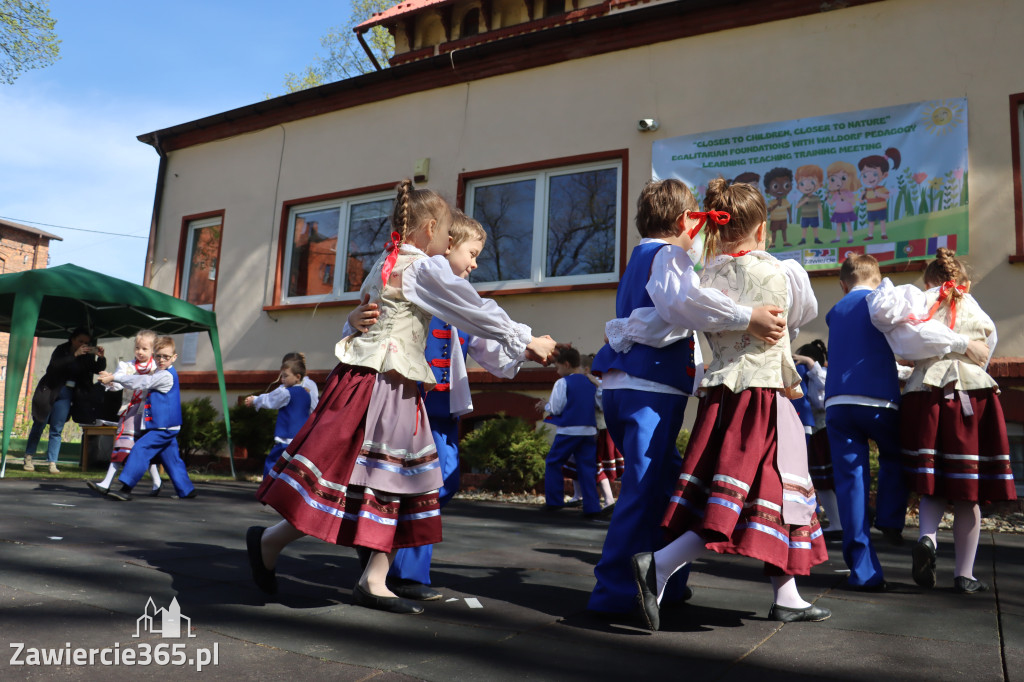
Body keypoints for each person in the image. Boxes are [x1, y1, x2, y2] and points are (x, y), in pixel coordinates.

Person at [249, 180, 557, 615]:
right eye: (455, 243)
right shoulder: (420, 268)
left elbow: (449, 316)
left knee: (381, 480)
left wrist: (519, 345)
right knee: (395, 477)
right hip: (384, 385)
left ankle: (328, 560)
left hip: (374, 381)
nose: (465, 261)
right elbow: (472, 307)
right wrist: (526, 339)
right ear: (432, 229)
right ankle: (354, 571)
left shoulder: (387, 261)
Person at [631, 178, 829, 630]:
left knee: (770, 496)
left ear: (716, 230)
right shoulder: (783, 272)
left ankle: (789, 594)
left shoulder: (704, 276)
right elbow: (801, 314)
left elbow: (685, 313)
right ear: (763, 230)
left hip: (722, 397)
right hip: (762, 399)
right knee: (751, 497)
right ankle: (658, 565)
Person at [586, 178, 787, 620]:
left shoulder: (643, 256)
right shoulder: (668, 255)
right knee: (643, 491)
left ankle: (668, 582)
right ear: (685, 222)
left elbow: (662, 312)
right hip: (648, 390)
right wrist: (745, 315)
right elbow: (678, 306)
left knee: (669, 486)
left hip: (631, 387)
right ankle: (614, 591)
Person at [345, 209, 530, 601]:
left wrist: (525, 349)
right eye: (471, 252)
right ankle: (396, 568)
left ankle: (393, 561)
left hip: (441, 406)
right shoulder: (416, 277)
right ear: (446, 247)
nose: (476, 263)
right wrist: (353, 318)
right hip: (405, 398)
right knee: (402, 480)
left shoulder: (459, 298)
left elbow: (486, 344)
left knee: (440, 479)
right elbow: (368, 322)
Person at [824, 254, 983, 590]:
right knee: (897, 455)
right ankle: (891, 517)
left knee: (850, 484)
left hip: (838, 403)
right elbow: (907, 337)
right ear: (878, 276)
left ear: (842, 285)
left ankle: (863, 572)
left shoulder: (834, 313)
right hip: (878, 401)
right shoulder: (884, 300)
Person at [866, 248, 1012, 593]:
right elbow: (985, 354)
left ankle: (928, 540)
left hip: (926, 393)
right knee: (967, 492)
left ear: (929, 281)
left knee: (931, 484)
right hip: (972, 395)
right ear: (967, 282)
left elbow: (907, 344)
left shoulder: (921, 300)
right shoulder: (977, 308)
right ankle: (965, 574)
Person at [98, 337, 197, 501]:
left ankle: (126, 488)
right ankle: (187, 490)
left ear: (174, 357)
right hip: (165, 426)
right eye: (158, 356)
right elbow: (139, 380)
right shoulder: (159, 372)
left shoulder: (165, 375)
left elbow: (143, 381)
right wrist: (113, 378)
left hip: (164, 427)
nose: (161, 360)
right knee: (171, 458)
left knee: (140, 450)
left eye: (166, 356)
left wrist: (115, 377)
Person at [86, 329, 163, 496]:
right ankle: (106, 482)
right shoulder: (126, 367)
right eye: (137, 348)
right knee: (123, 445)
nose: (140, 352)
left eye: (144, 349)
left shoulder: (156, 368)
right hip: (131, 412)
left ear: (153, 350)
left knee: (144, 449)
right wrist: (110, 379)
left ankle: (157, 482)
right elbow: (117, 384)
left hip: (148, 414)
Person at [24, 327, 106, 474]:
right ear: (72, 340)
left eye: (86, 343)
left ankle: (52, 462)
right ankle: (29, 457)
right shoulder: (61, 350)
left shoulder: (86, 356)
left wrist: (101, 357)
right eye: (80, 341)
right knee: (39, 424)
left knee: (57, 429)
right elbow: (54, 366)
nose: (83, 345)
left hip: (67, 393)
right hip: (50, 390)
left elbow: (96, 369)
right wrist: (74, 355)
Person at [540, 345, 604, 517]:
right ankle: (592, 507)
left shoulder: (562, 383)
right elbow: (601, 405)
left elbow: (556, 408)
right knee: (587, 469)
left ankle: (554, 501)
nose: (557, 371)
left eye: (557, 367)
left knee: (553, 462)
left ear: (566, 364)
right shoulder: (591, 382)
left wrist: (545, 405)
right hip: (589, 431)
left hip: (568, 430)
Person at [792, 339, 841, 536]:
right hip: (820, 431)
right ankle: (838, 521)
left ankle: (838, 523)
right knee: (823, 480)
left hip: (824, 431)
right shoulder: (810, 379)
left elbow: (822, 398)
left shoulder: (821, 376)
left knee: (825, 480)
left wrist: (810, 364)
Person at [245, 358, 313, 477]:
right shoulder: (306, 393)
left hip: (286, 438)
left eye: (286, 376)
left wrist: (254, 400)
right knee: (296, 469)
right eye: (282, 376)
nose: (282, 379)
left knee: (273, 464)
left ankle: (268, 490)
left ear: (297, 376)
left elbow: (270, 400)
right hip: (302, 438)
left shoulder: (286, 392)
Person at [826, 161, 860, 244]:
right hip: (838, 212)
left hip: (848, 211)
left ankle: (850, 237)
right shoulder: (836, 193)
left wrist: (845, 197)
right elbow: (831, 203)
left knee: (848, 224)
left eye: (843, 178)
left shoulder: (848, 192)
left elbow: (853, 201)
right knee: (838, 225)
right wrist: (827, 197)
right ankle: (837, 238)